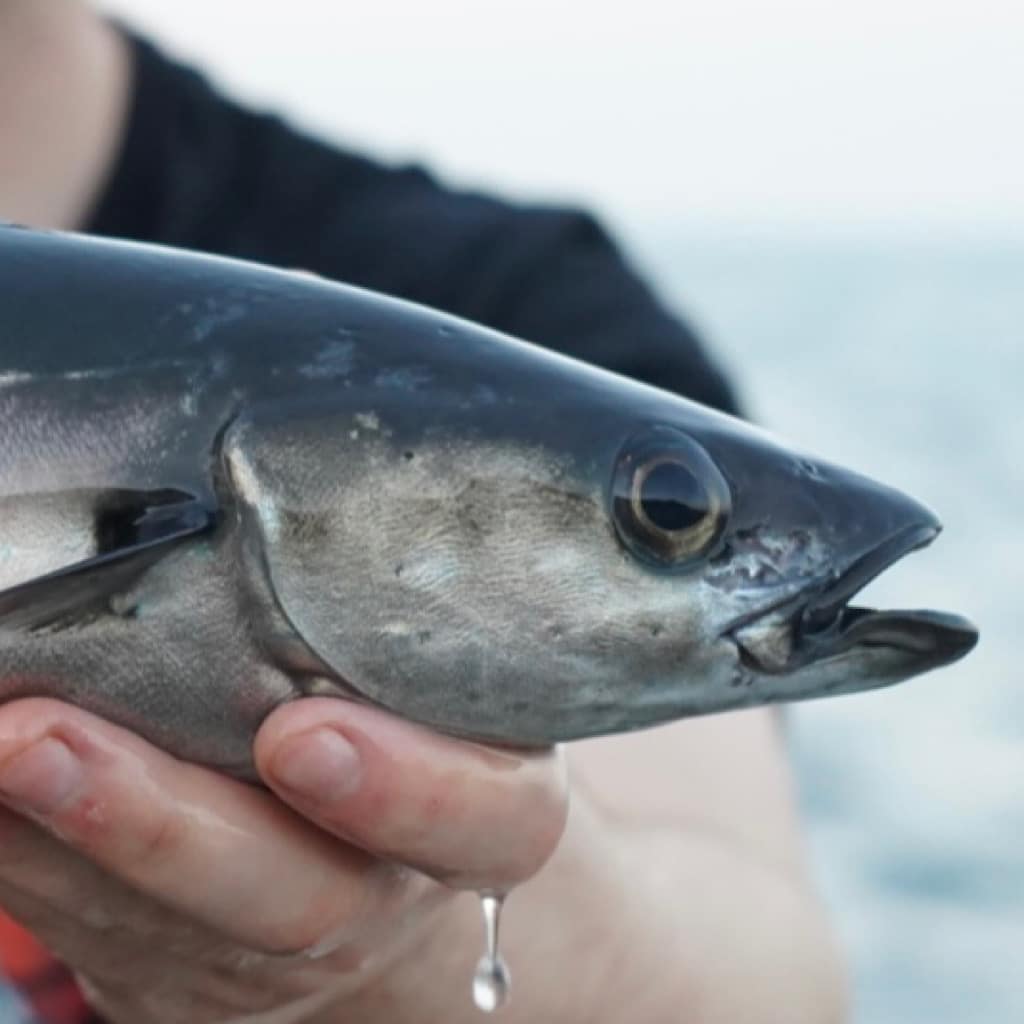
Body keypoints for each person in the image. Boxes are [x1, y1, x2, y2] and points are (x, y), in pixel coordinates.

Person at [0, 2, 847, 1022]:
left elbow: (762, 978)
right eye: (668, 512)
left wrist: (408, 957)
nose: (677, 522)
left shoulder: (503, 303)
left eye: (665, 512)